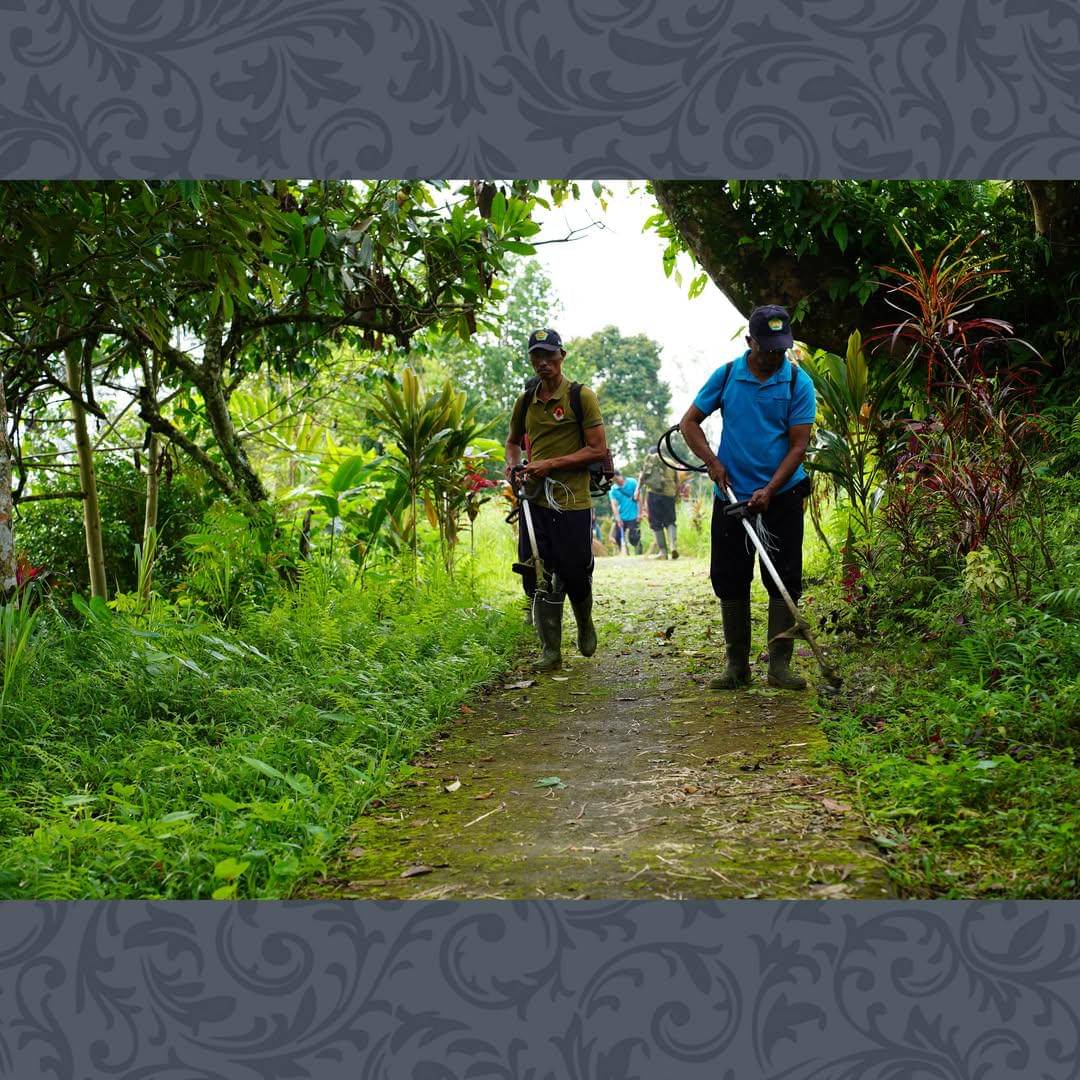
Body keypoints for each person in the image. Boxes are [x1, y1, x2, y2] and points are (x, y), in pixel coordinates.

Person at [679, 304, 817, 691]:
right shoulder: (726, 376)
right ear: (749, 341)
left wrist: (770, 490)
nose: (775, 356)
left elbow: (798, 445)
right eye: (768, 348)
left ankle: (779, 667)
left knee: (784, 578)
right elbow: (689, 423)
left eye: (781, 349)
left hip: (782, 495)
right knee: (729, 577)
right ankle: (737, 666)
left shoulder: (797, 382)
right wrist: (712, 461)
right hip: (732, 496)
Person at [505, 328, 608, 672]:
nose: (543, 362)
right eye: (537, 356)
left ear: (562, 356)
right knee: (536, 572)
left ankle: (584, 622)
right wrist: (513, 467)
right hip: (533, 501)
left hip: (572, 500)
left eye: (549, 355)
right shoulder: (525, 401)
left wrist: (550, 464)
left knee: (575, 571)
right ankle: (550, 650)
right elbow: (512, 442)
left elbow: (598, 449)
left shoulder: (581, 396)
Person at [637, 449, 679, 558]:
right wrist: (677, 495)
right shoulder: (671, 462)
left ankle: (663, 552)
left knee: (656, 523)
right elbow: (677, 481)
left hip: (654, 494)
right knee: (670, 521)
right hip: (669, 494)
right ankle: (673, 546)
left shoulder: (650, 460)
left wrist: (637, 491)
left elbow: (642, 478)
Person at [609, 472, 642, 555]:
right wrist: (618, 519)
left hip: (633, 515)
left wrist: (639, 513)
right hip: (621, 516)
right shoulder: (613, 489)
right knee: (617, 537)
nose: (616, 481)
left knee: (634, 537)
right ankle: (624, 553)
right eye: (614, 480)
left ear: (620, 475)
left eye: (616, 479)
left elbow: (639, 498)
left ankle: (638, 552)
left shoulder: (632, 482)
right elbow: (614, 505)